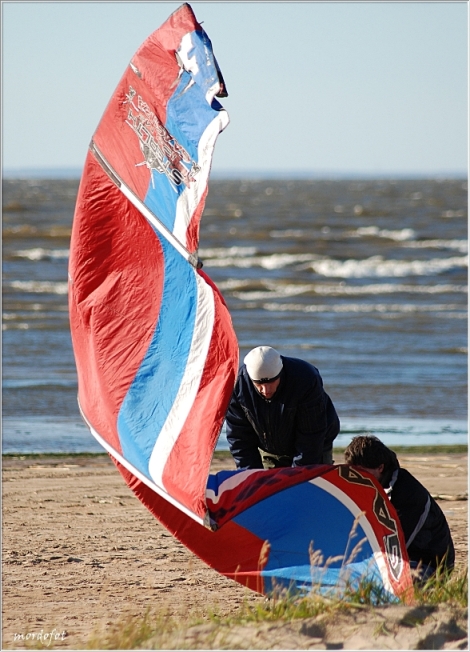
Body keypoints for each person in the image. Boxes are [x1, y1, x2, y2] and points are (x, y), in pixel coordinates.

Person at [344, 435, 455, 580]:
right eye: (353, 473)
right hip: (401, 557)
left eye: (362, 472)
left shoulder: (407, 492)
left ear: (380, 468)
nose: (357, 478)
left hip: (430, 566)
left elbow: (395, 544)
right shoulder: (372, 485)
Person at [225, 345, 340, 469]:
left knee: (307, 484)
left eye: (271, 381)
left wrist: (297, 476)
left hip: (317, 444)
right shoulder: (237, 386)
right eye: (259, 383)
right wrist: (251, 475)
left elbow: (311, 436)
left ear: (280, 373)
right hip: (269, 447)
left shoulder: (306, 379)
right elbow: (240, 439)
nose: (265, 390)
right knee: (265, 485)